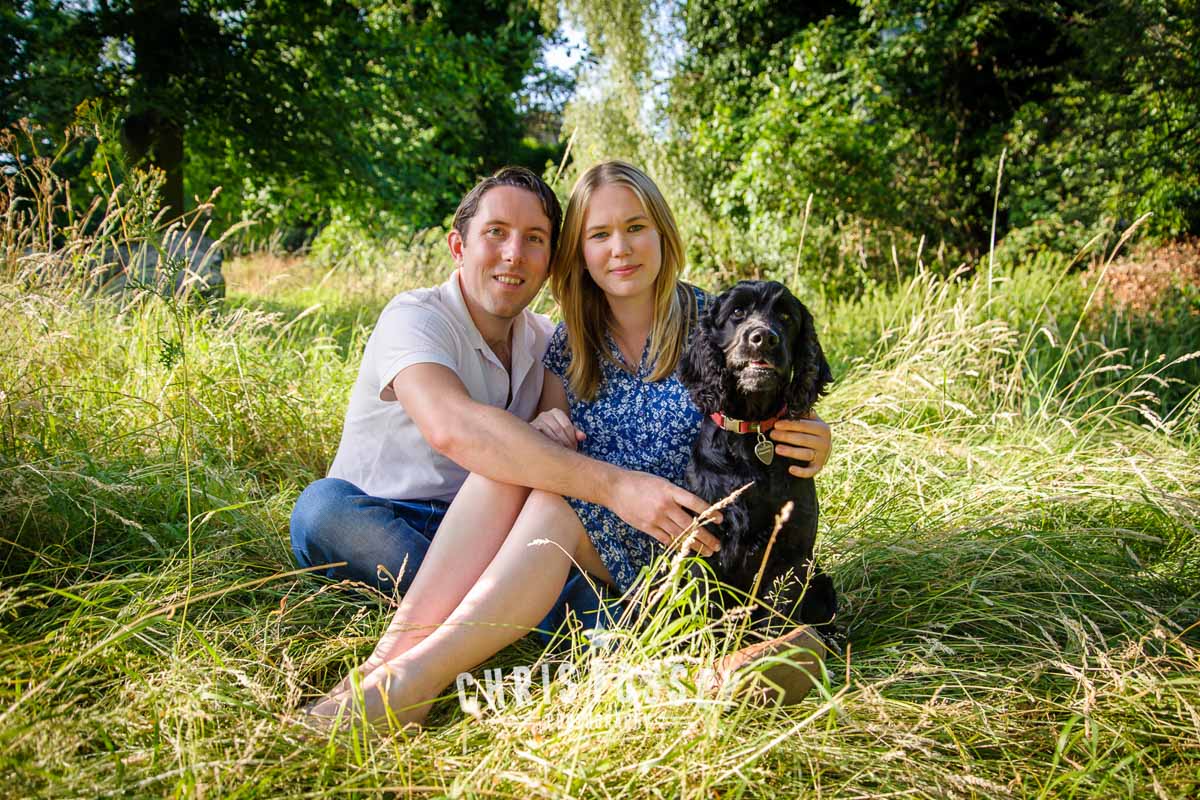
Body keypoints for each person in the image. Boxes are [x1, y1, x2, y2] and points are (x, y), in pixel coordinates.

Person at [303, 161, 833, 728]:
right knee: (515, 475)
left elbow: (771, 394)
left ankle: (415, 677)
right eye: (599, 235)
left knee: (546, 502)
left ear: (663, 233)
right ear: (579, 252)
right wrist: (548, 428)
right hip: (586, 541)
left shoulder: (713, 320)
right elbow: (516, 440)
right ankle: (403, 670)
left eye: (636, 228)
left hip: (686, 544)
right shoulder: (568, 342)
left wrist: (815, 432)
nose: (620, 248)